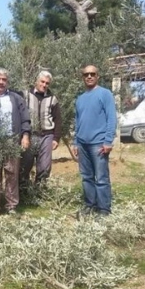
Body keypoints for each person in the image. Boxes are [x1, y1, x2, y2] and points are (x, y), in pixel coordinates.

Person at [0, 68, 31, 215]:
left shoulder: (16, 98)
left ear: (7, 81)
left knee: (12, 173)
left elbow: (25, 118)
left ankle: (11, 206)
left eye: (4, 79)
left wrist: (25, 135)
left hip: (11, 140)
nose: (1, 82)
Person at [72, 65, 117, 217]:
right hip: (82, 144)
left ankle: (104, 209)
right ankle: (90, 205)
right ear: (82, 77)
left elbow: (111, 118)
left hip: (99, 143)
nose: (89, 76)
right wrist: (75, 142)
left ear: (98, 76)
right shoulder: (80, 99)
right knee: (86, 177)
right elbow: (77, 122)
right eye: (86, 74)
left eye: (92, 74)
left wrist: (108, 141)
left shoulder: (105, 94)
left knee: (102, 178)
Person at [19, 70, 63, 189]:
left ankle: (40, 192)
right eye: (42, 82)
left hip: (46, 136)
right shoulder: (26, 95)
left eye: (47, 83)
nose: (44, 85)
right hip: (29, 135)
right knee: (25, 164)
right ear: (36, 82)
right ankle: (24, 192)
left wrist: (56, 138)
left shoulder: (52, 99)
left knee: (44, 166)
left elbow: (58, 119)